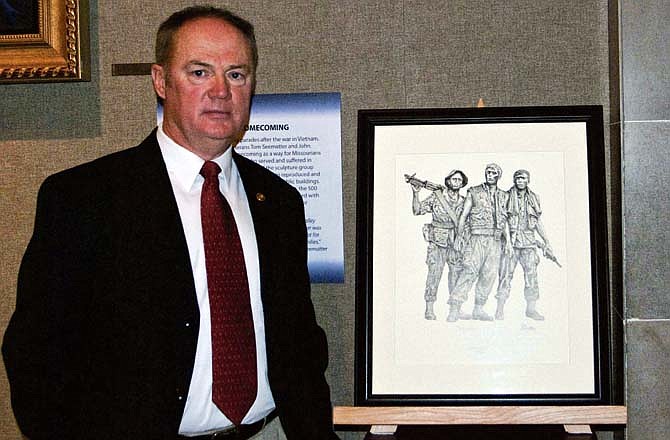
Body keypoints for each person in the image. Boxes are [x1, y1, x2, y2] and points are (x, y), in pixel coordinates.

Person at [2, 6, 340, 440]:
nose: (221, 91)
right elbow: (35, 354)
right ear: (161, 81)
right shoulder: (85, 199)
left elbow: (299, 342)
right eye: (200, 73)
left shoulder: (279, 202)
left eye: (236, 75)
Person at [447, 163, 511, 322]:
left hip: (495, 240)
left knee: (489, 274)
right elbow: (463, 216)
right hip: (477, 238)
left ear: (498, 176)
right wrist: (458, 237)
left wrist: (508, 241)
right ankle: (455, 308)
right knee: (469, 270)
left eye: (493, 173)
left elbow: (505, 220)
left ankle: (479, 309)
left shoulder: (504, 195)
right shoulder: (474, 192)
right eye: (487, 172)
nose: (489, 175)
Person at [495, 169, 554, 321]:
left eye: (523, 178)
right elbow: (503, 221)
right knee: (505, 275)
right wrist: (507, 242)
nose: (520, 181)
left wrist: (546, 241)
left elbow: (537, 222)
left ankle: (531, 309)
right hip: (512, 242)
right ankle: (499, 309)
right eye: (518, 178)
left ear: (528, 180)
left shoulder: (534, 198)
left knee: (531, 276)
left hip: (529, 243)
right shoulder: (506, 196)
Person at [409, 170, 468, 320]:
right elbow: (417, 210)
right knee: (434, 274)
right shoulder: (436, 197)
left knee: (456, 275)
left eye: (459, 180)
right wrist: (416, 193)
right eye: (453, 179)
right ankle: (429, 308)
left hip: (455, 242)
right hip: (437, 241)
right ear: (447, 181)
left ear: (462, 183)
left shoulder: (464, 200)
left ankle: (455, 309)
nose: (456, 182)